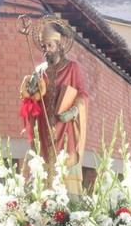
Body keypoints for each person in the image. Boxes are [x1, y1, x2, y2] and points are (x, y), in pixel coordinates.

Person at [20, 18, 88, 195]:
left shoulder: (72, 68)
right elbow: (32, 98)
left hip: (65, 125)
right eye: (43, 47)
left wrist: (73, 111)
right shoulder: (40, 70)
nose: (46, 51)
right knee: (44, 166)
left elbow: (82, 94)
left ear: (59, 45)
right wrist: (31, 91)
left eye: (49, 46)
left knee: (66, 164)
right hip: (43, 126)